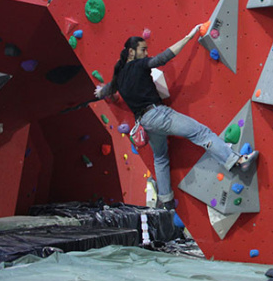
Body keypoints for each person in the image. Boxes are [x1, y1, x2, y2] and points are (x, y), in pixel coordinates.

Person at [95, 26, 258, 210]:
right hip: (159, 115)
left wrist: (101, 91)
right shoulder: (139, 65)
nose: (146, 52)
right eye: (143, 49)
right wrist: (188, 37)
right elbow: (164, 57)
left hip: (145, 123)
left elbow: (108, 90)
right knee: (201, 133)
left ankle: (166, 199)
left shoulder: (120, 76)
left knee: (160, 158)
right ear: (131, 52)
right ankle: (237, 161)